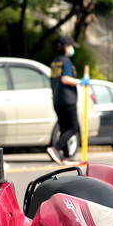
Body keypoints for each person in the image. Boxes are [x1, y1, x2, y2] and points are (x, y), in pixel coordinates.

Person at [47, 35, 90, 165]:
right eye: (71, 46)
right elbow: (65, 79)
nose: (72, 49)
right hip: (68, 99)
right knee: (73, 127)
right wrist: (81, 81)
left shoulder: (55, 62)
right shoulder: (66, 62)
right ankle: (56, 148)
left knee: (64, 128)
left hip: (57, 100)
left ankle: (66, 156)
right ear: (66, 47)